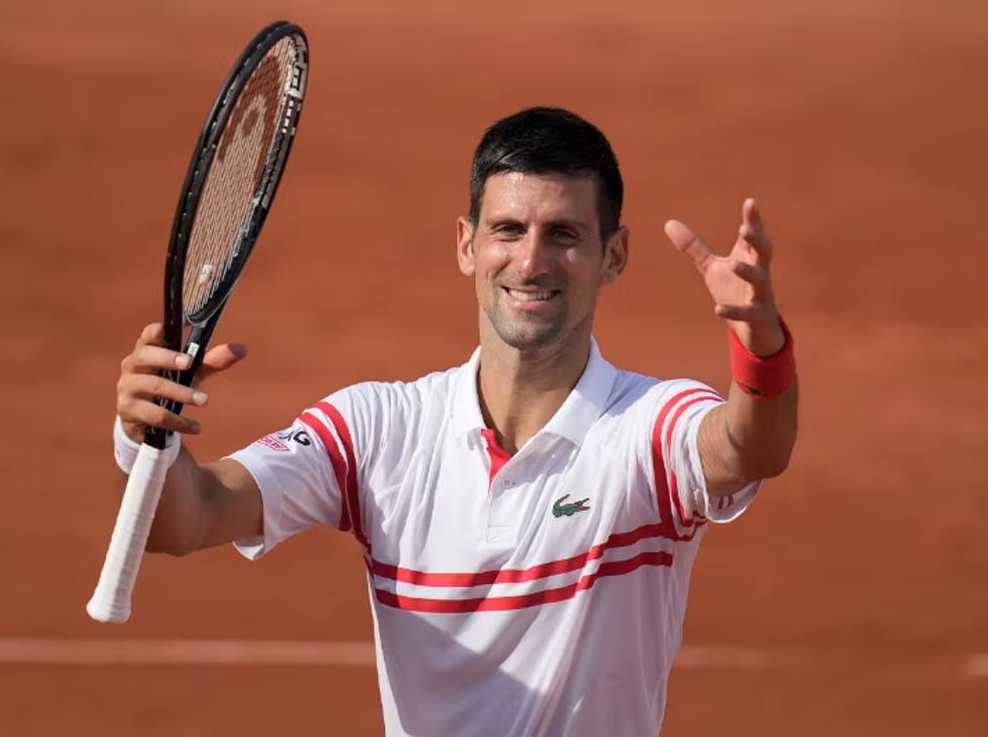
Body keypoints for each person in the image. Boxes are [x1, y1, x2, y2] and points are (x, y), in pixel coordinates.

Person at [113, 107, 798, 736]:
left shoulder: (647, 427)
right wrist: (148, 438)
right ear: (467, 244)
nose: (530, 262)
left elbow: (748, 449)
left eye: (563, 235)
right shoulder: (379, 429)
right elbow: (187, 520)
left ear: (612, 255)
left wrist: (761, 353)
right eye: (508, 230)